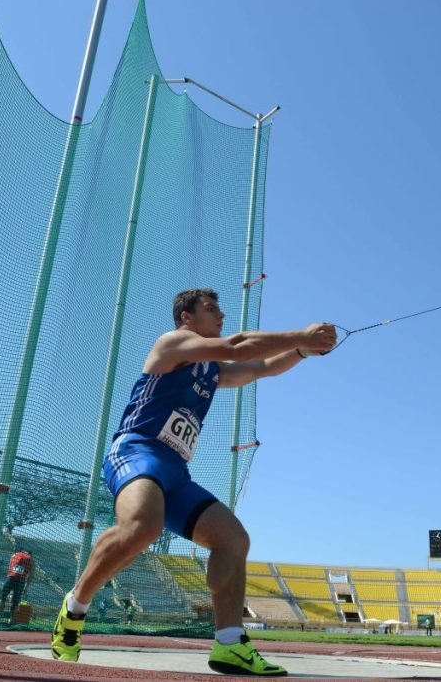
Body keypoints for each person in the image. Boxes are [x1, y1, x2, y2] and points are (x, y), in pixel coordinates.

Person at [51, 288, 335, 676]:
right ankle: (75, 607)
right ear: (186, 318)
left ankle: (230, 644)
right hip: (136, 451)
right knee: (142, 526)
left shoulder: (210, 369)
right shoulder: (173, 344)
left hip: (176, 469)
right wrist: (302, 335)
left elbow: (261, 367)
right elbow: (238, 347)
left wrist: (305, 352)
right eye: (210, 309)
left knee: (233, 539)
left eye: (219, 309)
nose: (220, 315)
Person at [0, 549, 32, 625]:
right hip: (20, 581)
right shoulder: (29, 559)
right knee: (15, 602)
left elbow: (10, 568)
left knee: (2, 598)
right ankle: (11, 620)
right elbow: (30, 575)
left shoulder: (14, 555)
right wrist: (26, 587)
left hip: (10, 579)